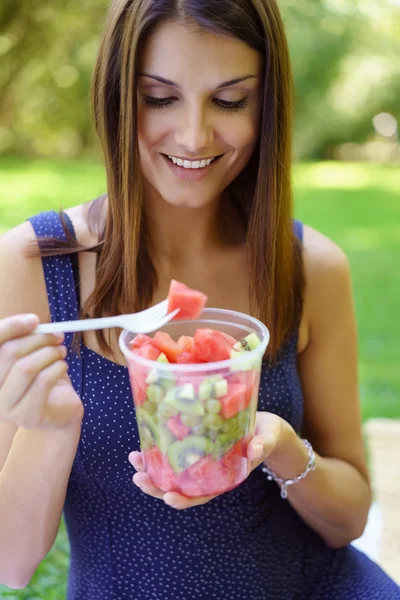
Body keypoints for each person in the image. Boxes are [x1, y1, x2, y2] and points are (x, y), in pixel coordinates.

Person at [0, 1, 399, 598]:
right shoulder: (37, 265)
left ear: (268, 104)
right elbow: (11, 564)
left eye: (231, 100)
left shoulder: (309, 267)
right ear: (115, 97)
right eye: (159, 98)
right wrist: (50, 429)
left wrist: (280, 446)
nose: (193, 135)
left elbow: (348, 520)